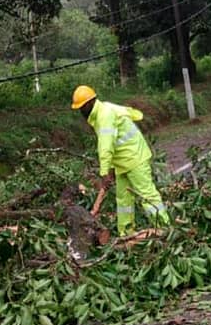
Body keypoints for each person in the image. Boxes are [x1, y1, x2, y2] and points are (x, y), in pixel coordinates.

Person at [71, 85, 170, 236]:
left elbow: (106, 146)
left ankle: (165, 229)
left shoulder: (104, 115)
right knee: (123, 200)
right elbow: (112, 144)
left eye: (81, 108)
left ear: (89, 103)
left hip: (135, 158)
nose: (80, 112)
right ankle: (126, 234)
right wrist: (111, 168)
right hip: (122, 162)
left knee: (147, 196)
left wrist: (104, 173)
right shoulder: (100, 113)